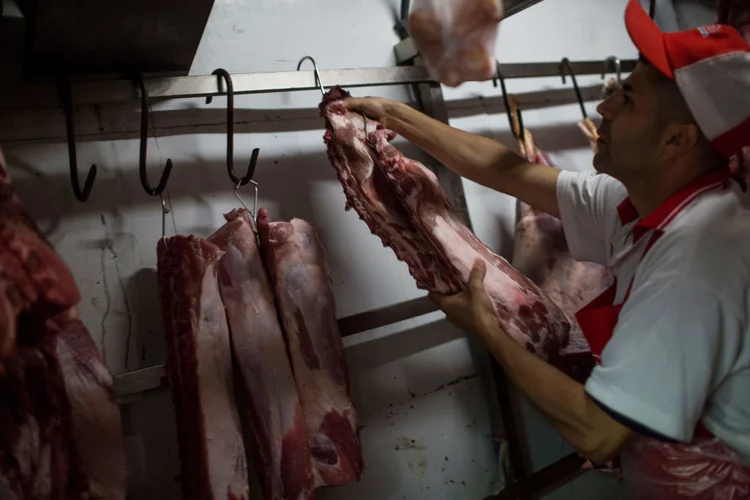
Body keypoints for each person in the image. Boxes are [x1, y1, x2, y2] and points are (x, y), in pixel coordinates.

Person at [347, 1, 750, 498]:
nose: (603, 108)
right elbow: (506, 169)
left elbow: (597, 433)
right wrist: (397, 116)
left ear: (676, 141)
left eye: (625, 100)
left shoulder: (699, 258)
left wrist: (488, 331)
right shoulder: (648, 199)